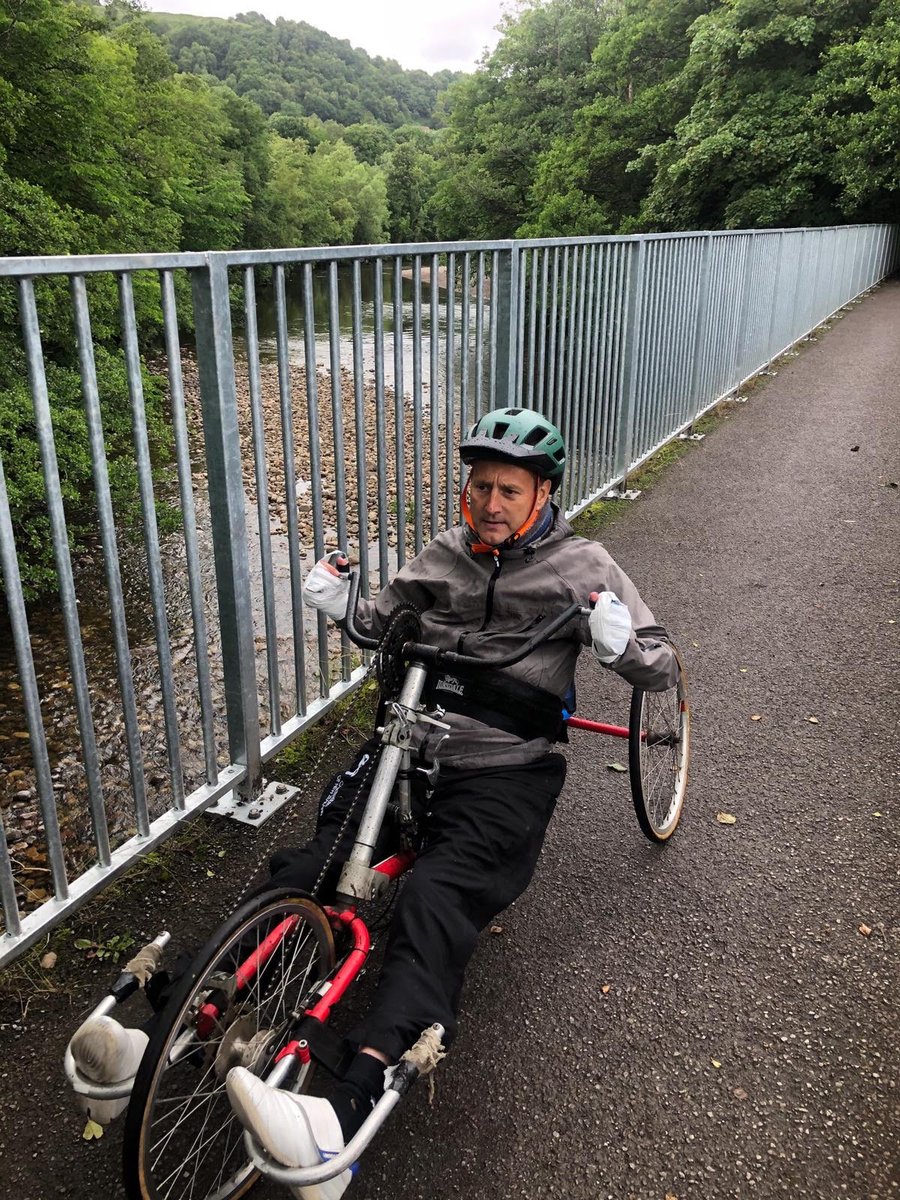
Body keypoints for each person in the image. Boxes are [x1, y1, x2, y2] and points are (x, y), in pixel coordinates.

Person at [68, 406, 678, 1200]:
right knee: (308, 867)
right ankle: (159, 1032)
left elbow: (660, 663)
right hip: (404, 746)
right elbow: (379, 619)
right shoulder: (446, 554)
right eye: (480, 487)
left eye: (509, 490)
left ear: (544, 494)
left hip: (504, 768)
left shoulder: (582, 563)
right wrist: (340, 603)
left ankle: (346, 1104)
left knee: (434, 898)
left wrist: (616, 641)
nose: (491, 504)